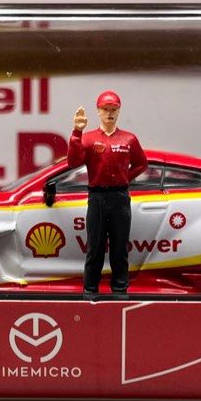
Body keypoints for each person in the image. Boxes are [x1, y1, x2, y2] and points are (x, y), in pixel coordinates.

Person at [68, 90, 147, 297]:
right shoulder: (88, 139)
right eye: (105, 109)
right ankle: (90, 290)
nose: (109, 113)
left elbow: (141, 163)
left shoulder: (129, 139)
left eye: (113, 109)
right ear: (98, 111)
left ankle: (120, 289)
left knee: (120, 247)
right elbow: (73, 162)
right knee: (95, 247)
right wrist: (77, 132)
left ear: (119, 111)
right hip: (97, 198)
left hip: (120, 197)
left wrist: (125, 178)